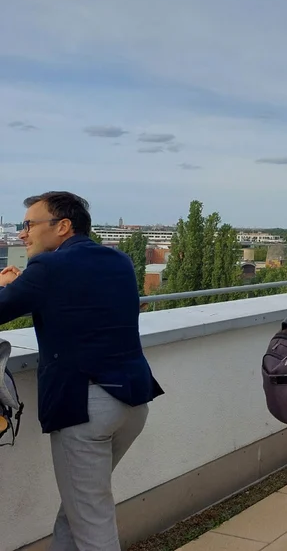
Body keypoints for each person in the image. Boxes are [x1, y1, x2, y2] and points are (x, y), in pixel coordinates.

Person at [0, 191, 163, 551]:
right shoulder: (119, 260)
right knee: (79, 510)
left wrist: (4, 285)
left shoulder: (48, 268)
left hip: (86, 409)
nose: (22, 234)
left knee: (92, 524)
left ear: (62, 226)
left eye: (28, 225)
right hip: (132, 402)